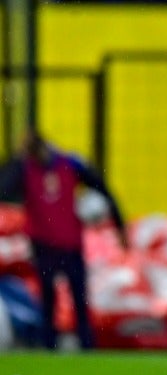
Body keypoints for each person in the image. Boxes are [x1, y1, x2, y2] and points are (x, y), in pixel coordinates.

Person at [0, 129, 128, 350]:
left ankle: (87, 346)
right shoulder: (25, 168)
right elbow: (4, 188)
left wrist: (119, 225)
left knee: (79, 297)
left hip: (70, 244)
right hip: (43, 243)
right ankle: (50, 346)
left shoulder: (70, 163)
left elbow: (102, 187)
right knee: (48, 299)